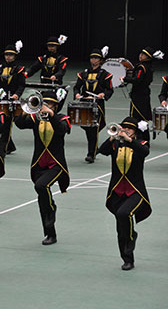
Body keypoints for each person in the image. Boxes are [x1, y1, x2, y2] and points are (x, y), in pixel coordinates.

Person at [15, 91, 71, 245]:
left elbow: (61, 130)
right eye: (44, 103)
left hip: (56, 164)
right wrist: (26, 112)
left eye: (50, 104)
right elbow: (19, 124)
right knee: (42, 199)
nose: (46, 106)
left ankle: (52, 209)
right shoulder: (35, 118)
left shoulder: (62, 118)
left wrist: (51, 115)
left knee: (41, 186)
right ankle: (50, 233)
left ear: (56, 106)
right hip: (39, 164)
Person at [98, 117, 151, 270]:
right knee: (120, 228)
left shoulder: (140, 144)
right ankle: (126, 257)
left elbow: (144, 152)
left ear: (135, 132)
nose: (126, 130)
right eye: (124, 127)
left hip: (135, 191)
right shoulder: (115, 144)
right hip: (117, 192)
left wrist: (129, 140)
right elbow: (102, 150)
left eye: (130, 128)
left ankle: (131, 245)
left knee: (123, 214)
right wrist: (112, 137)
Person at [73, 47, 114, 163]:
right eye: (92, 57)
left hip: (97, 105)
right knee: (87, 128)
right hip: (85, 104)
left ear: (100, 60)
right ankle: (94, 148)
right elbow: (77, 87)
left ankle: (91, 153)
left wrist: (103, 94)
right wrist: (76, 94)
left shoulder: (105, 75)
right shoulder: (84, 74)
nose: (93, 60)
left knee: (93, 129)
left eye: (96, 58)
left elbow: (109, 90)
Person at [0, 42, 26, 154]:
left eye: (11, 55)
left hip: (12, 100)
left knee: (7, 124)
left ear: (15, 56)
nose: (8, 57)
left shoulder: (19, 69)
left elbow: (21, 85)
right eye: (6, 55)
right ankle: (9, 145)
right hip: (0, 99)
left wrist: (17, 95)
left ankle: (3, 147)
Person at [122, 47, 159, 143]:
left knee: (137, 118)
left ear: (148, 58)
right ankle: (143, 139)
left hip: (139, 96)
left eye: (143, 55)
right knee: (142, 119)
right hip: (144, 94)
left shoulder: (141, 67)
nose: (140, 55)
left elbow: (137, 80)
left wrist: (125, 79)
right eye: (141, 53)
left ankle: (142, 139)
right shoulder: (148, 67)